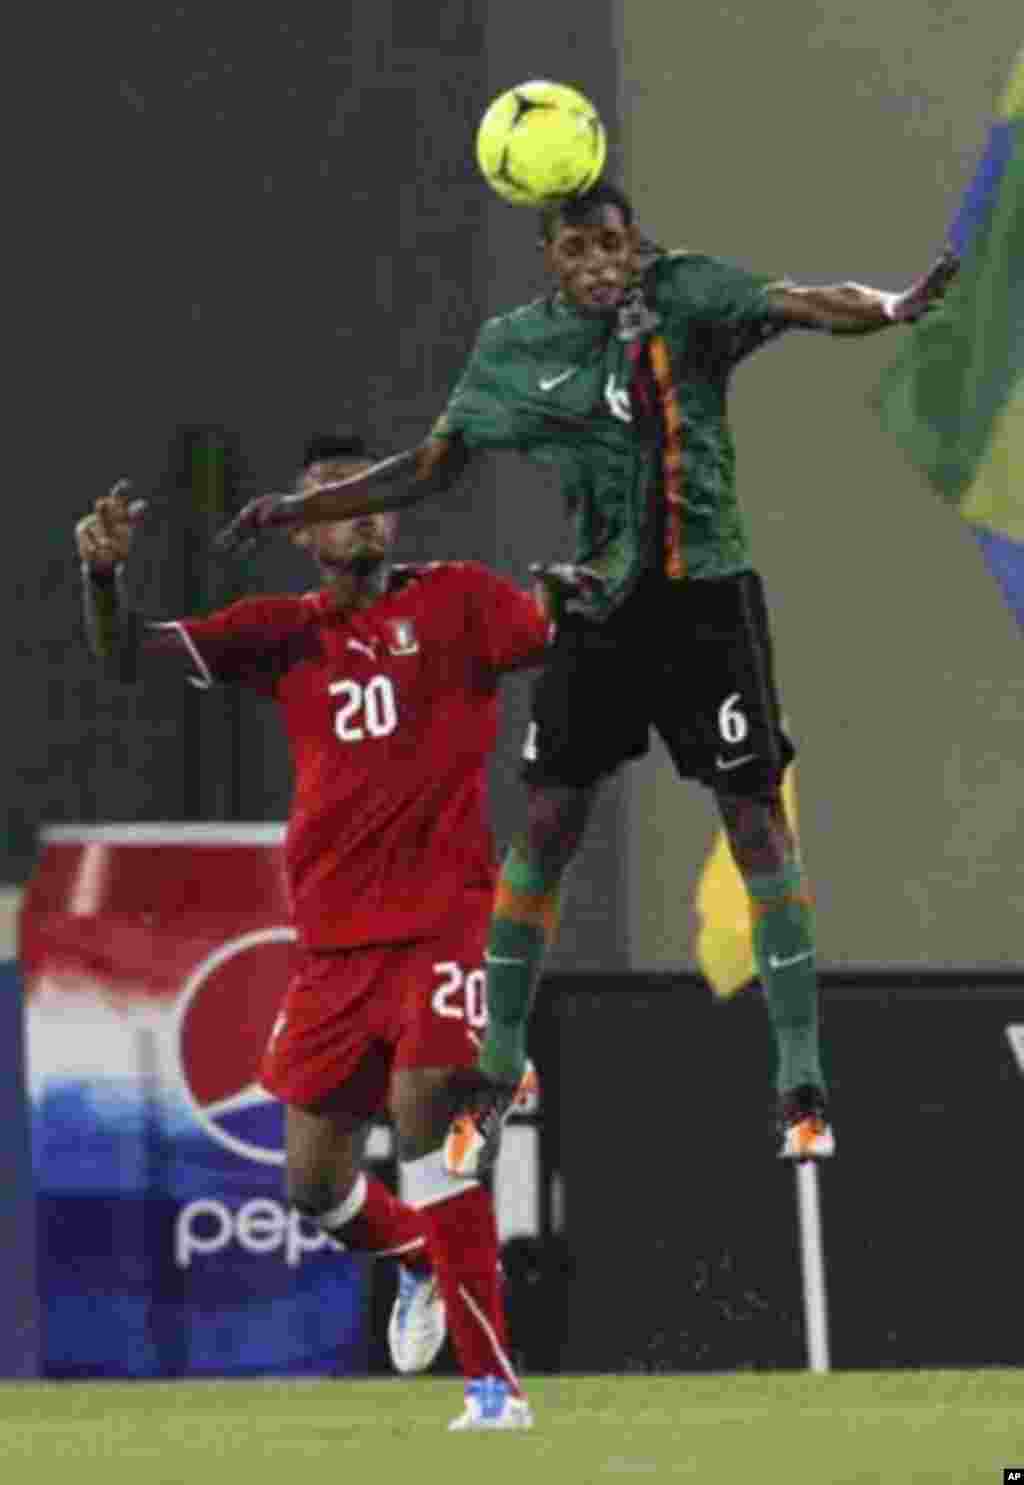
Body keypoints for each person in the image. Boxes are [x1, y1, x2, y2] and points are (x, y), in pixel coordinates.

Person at [215, 183, 959, 1177]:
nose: (603, 264)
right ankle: (502, 1061)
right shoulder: (513, 350)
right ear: (552, 263)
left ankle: (800, 1079)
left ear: (635, 244)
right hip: (603, 605)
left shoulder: (686, 297)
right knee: (549, 826)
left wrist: (894, 306)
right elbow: (430, 467)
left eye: (614, 245)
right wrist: (305, 505)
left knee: (753, 821)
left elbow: (802, 301)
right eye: (579, 251)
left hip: (708, 600)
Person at [75, 432, 552, 1432]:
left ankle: (493, 1387)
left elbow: (553, 632)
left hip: (445, 918)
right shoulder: (280, 632)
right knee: (312, 1185)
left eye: (376, 495)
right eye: (333, 498)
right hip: (335, 941)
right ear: (301, 529)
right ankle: (417, 1258)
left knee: (429, 1109)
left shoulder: (460, 597)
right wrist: (102, 575)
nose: (361, 511)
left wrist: (592, 592)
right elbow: (124, 655)